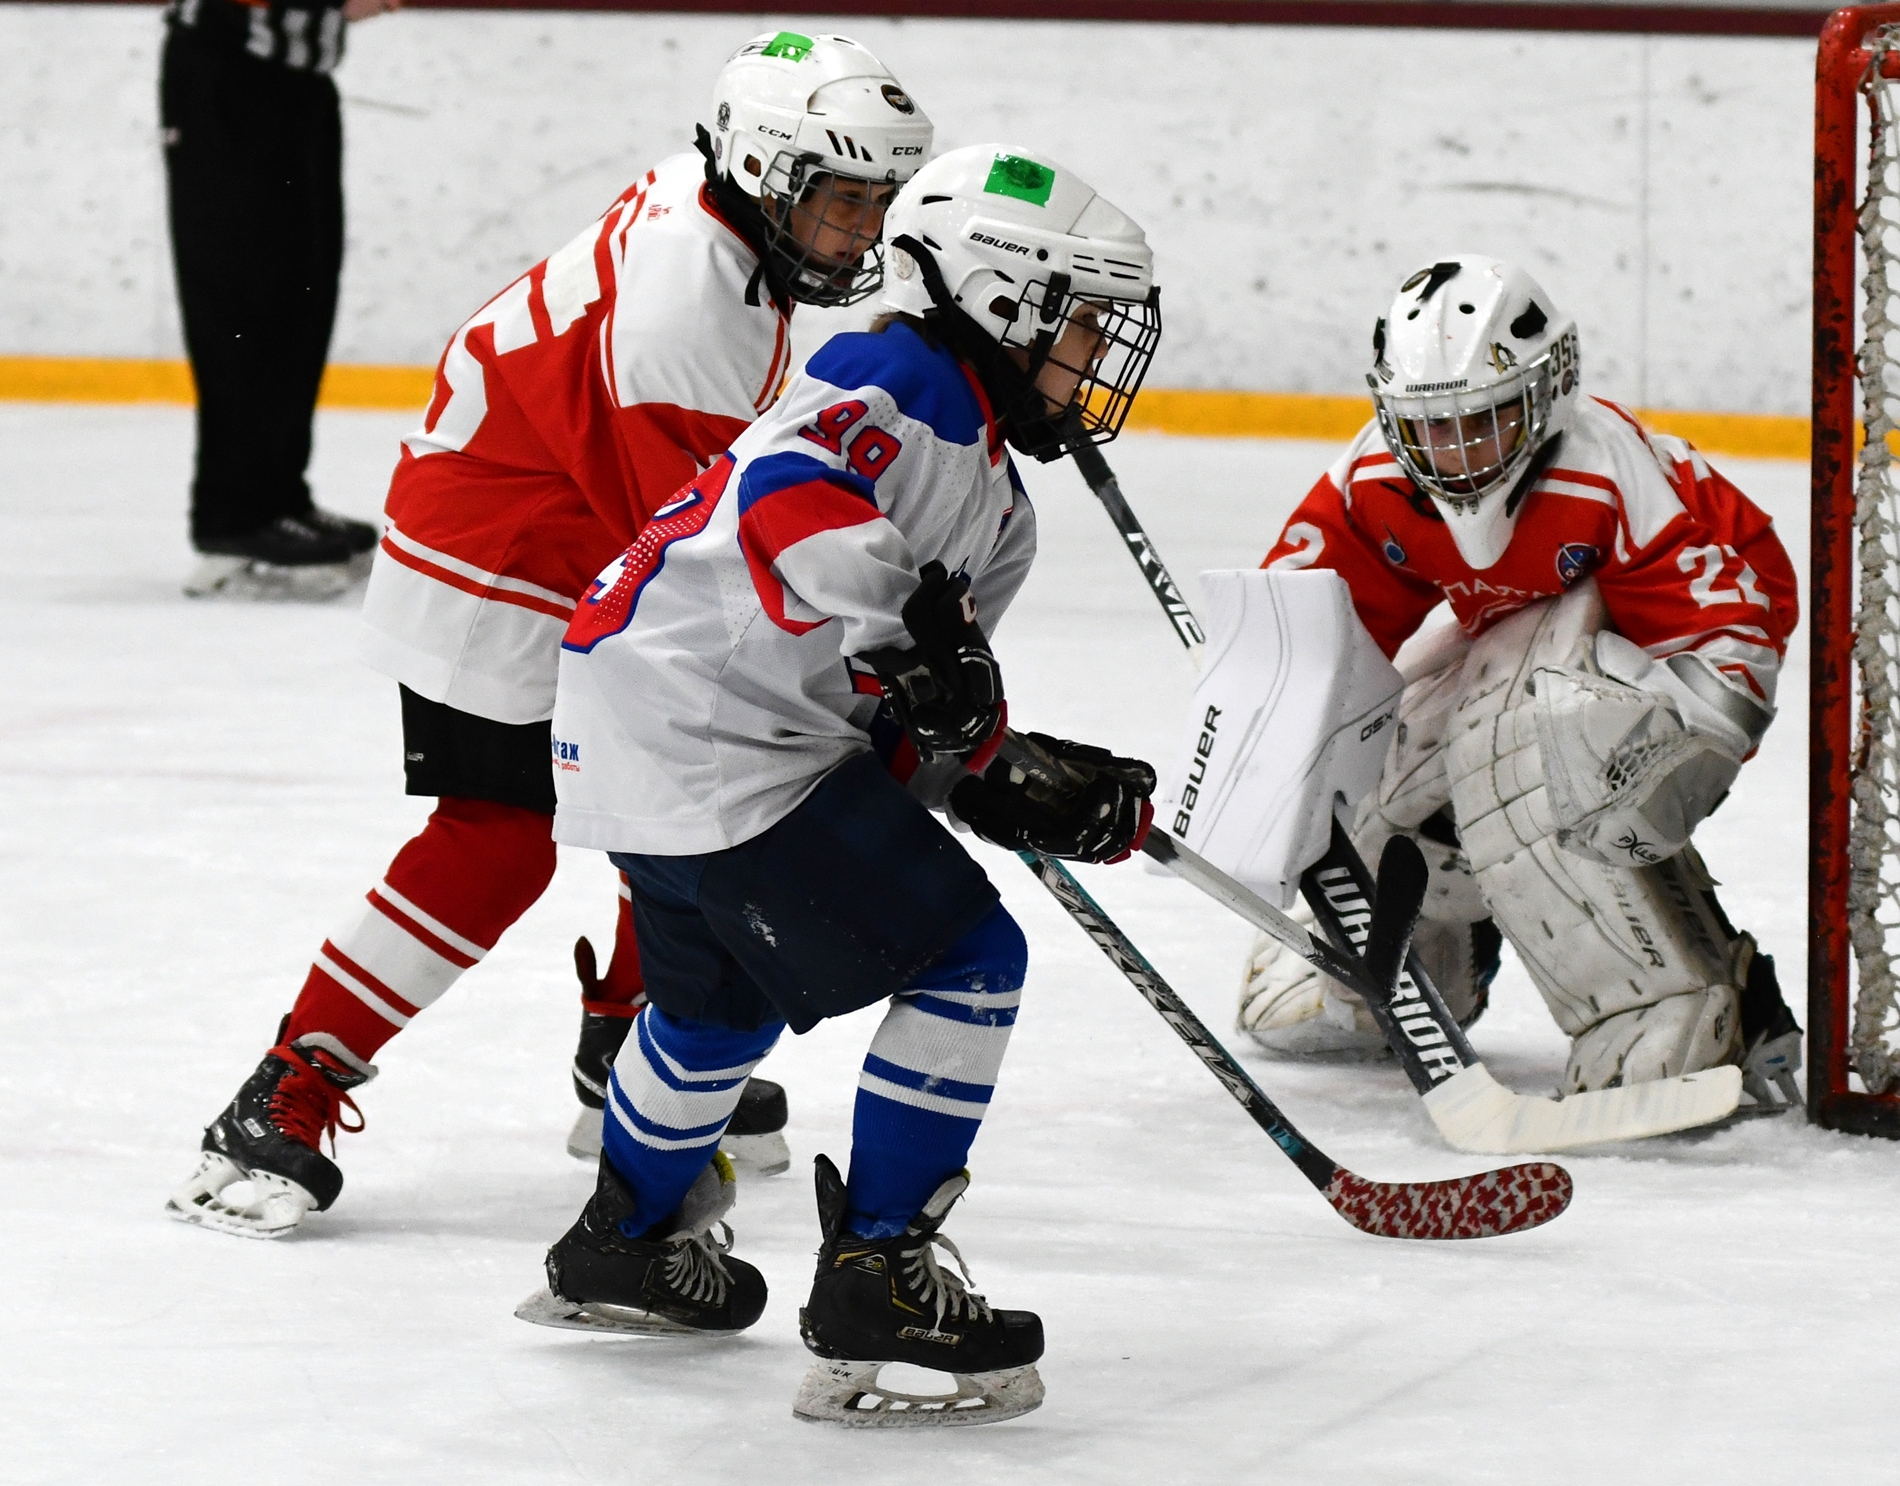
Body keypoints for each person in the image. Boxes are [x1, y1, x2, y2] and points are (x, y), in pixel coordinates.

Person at [165, 31, 934, 1239]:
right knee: (503, 838)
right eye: (844, 199)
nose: (862, 229)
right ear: (764, 169)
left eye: (878, 200)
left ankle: (628, 1043)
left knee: (677, 776)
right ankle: (286, 1088)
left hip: (556, 511)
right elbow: (709, 558)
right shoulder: (686, 314)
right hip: (498, 555)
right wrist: (862, 673)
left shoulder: (725, 222)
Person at [513, 143, 1163, 1429]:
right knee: (970, 961)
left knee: (715, 1009)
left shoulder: (999, 502)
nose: (1096, 355)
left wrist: (1001, 773)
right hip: (719, 728)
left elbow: (913, 710)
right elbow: (789, 492)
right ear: (1003, 299)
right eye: (1082, 322)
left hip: (644, 711)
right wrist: (917, 641)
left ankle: (618, 1245)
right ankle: (879, 1276)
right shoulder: (905, 377)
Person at [1236, 254, 1804, 1107]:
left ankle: (1678, 998)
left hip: (1640, 675)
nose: (1455, 452)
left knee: (1530, 734)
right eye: (1429, 425)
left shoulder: (1609, 472)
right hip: (1514, 658)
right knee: (1373, 747)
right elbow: (1306, 644)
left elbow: (1729, 633)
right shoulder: (1373, 481)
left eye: (1483, 419)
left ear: (1549, 392)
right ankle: (1433, 962)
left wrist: (1657, 771)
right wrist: (1270, 742)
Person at [161, 0, 400, 598]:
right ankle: (234, 514)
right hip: (230, 72)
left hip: (297, 82)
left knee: (301, 296)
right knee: (243, 296)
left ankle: (278, 498)